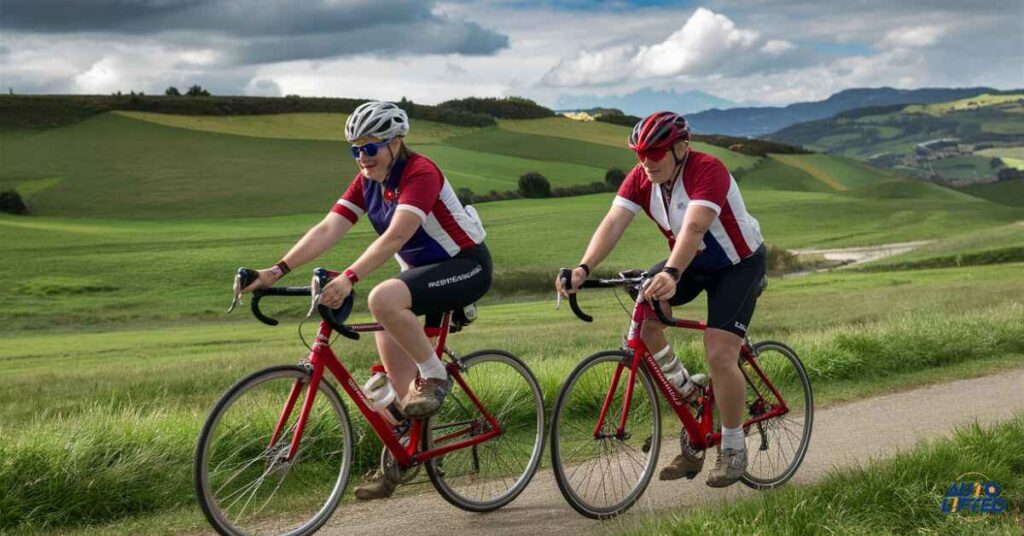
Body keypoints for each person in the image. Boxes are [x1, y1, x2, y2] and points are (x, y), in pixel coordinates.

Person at [241, 101, 492, 499]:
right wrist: (275, 271)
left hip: (465, 265)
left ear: (395, 143)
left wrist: (350, 277)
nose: (362, 157)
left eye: (370, 148)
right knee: (391, 386)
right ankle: (407, 453)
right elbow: (329, 228)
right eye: (354, 149)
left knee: (382, 298)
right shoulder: (367, 183)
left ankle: (436, 375)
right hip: (422, 277)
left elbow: (396, 236)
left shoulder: (420, 172)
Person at [555, 111, 766, 488]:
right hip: (691, 263)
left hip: (738, 265)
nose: (645, 161)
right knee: (646, 311)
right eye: (639, 153)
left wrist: (671, 272)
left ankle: (733, 446)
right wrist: (584, 267)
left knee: (720, 354)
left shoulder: (708, 170)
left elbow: (696, 227)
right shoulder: (642, 177)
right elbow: (613, 222)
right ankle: (687, 387)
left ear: (682, 148)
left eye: (654, 153)